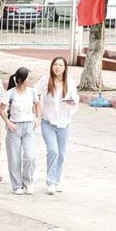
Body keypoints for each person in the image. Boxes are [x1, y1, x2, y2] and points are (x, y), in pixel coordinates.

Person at [35, 56, 79, 195]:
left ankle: (57, 180)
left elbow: (75, 99)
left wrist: (71, 102)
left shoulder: (70, 82)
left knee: (61, 154)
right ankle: (50, 182)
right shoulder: (45, 80)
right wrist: (36, 113)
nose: (57, 67)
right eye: (55, 64)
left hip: (64, 122)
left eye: (60, 65)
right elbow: (35, 94)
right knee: (53, 151)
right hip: (47, 122)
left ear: (65, 68)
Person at [0, 67, 41, 195]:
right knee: (14, 159)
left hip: (29, 128)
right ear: (21, 80)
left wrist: (38, 118)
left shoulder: (32, 92)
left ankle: (28, 182)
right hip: (14, 128)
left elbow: (37, 104)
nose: (30, 80)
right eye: (29, 78)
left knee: (30, 157)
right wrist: (8, 122)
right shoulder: (10, 93)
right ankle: (16, 185)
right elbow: (1, 109)